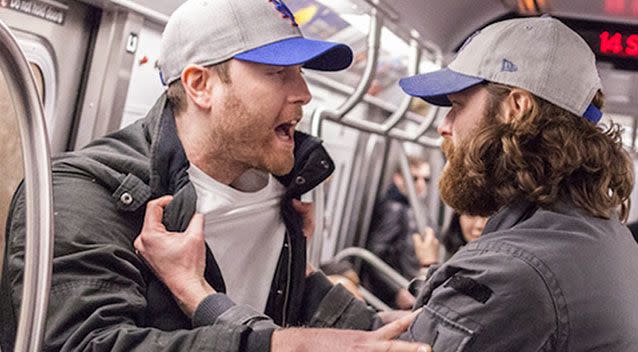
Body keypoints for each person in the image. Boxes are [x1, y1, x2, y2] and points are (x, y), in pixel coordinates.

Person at [0, 1, 431, 351]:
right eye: (278, 73)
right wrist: (286, 346)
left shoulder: (283, 188)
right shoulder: (85, 195)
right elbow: (86, 344)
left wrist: (374, 327)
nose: (303, 93)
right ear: (200, 85)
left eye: (300, 73)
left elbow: (284, 287)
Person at [397, 16, 638, 350]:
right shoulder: (608, 236)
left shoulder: (512, 273)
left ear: (517, 108)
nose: (444, 125)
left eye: (456, 106)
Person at [362, 156, 438, 309]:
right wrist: (396, 291)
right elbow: (376, 253)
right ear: (398, 179)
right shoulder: (394, 209)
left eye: (426, 179)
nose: (421, 184)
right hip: (395, 292)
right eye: (414, 178)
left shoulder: (416, 208)